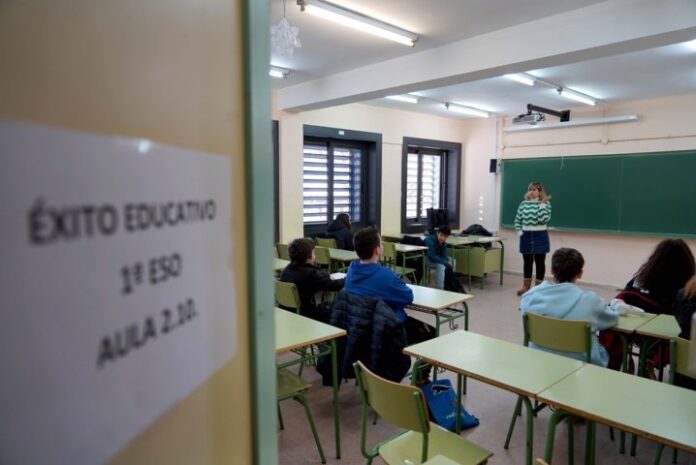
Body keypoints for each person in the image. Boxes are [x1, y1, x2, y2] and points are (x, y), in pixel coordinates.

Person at [344, 227, 436, 378]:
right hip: (388, 329)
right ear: (377, 250)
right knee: (430, 333)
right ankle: (421, 379)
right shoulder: (385, 276)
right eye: (380, 242)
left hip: (360, 326)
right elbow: (408, 297)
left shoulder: (351, 270)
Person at [520, 247, 631, 367]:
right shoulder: (591, 301)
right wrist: (616, 305)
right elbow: (612, 319)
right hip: (582, 364)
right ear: (580, 273)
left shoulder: (530, 296)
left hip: (540, 360)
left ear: (552, 270)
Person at [617, 238, 695, 315]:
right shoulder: (687, 290)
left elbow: (618, 302)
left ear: (655, 260)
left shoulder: (641, 280)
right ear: (687, 264)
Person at [280, 237, 344, 322]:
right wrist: (348, 278)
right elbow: (334, 285)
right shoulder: (310, 273)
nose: (315, 255)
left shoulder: (287, 270)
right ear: (308, 257)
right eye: (313, 253)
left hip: (288, 313)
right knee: (339, 312)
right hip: (306, 315)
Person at [514, 181, 552, 296]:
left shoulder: (546, 204)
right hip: (526, 236)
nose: (531, 192)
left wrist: (542, 205)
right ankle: (526, 286)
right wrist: (520, 233)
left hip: (540, 236)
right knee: (527, 262)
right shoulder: (523, 204)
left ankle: (538, 288)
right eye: (530, 189)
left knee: (540, 263)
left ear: (539, 191)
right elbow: (517, 220)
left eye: (534, 190)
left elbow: (543, 219)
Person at [424, 225, 453, 290]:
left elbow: (444, 255)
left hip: (435, 258)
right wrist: (445, 262)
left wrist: (447, 261)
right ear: (437, 233)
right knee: (441, 265)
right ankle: (440, 289)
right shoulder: (429, 240)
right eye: (441, 235)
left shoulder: (443, 243)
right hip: (425, 258)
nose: (442, 238)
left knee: (452, 261)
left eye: (445, 237)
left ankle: (449, 284)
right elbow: (432, 256)